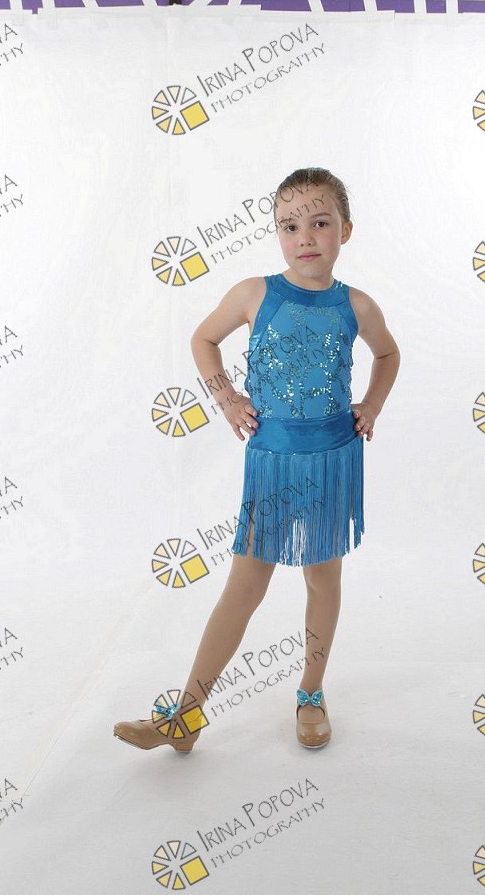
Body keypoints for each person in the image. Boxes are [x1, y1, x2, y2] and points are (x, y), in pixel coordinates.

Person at [113, 167, 400, 754]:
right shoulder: (254, 294)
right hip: (272, 462)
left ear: (346, 230)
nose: (305, 237)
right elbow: (203, 339)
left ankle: (311, 692)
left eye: (320, 223)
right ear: (276, 234)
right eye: (289, 226)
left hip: (331, 460)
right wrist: (227, 398)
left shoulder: (357, 305)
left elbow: (388, 354)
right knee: (244, 586)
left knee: (323, 577)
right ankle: (186, 714)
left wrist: (371, 404)